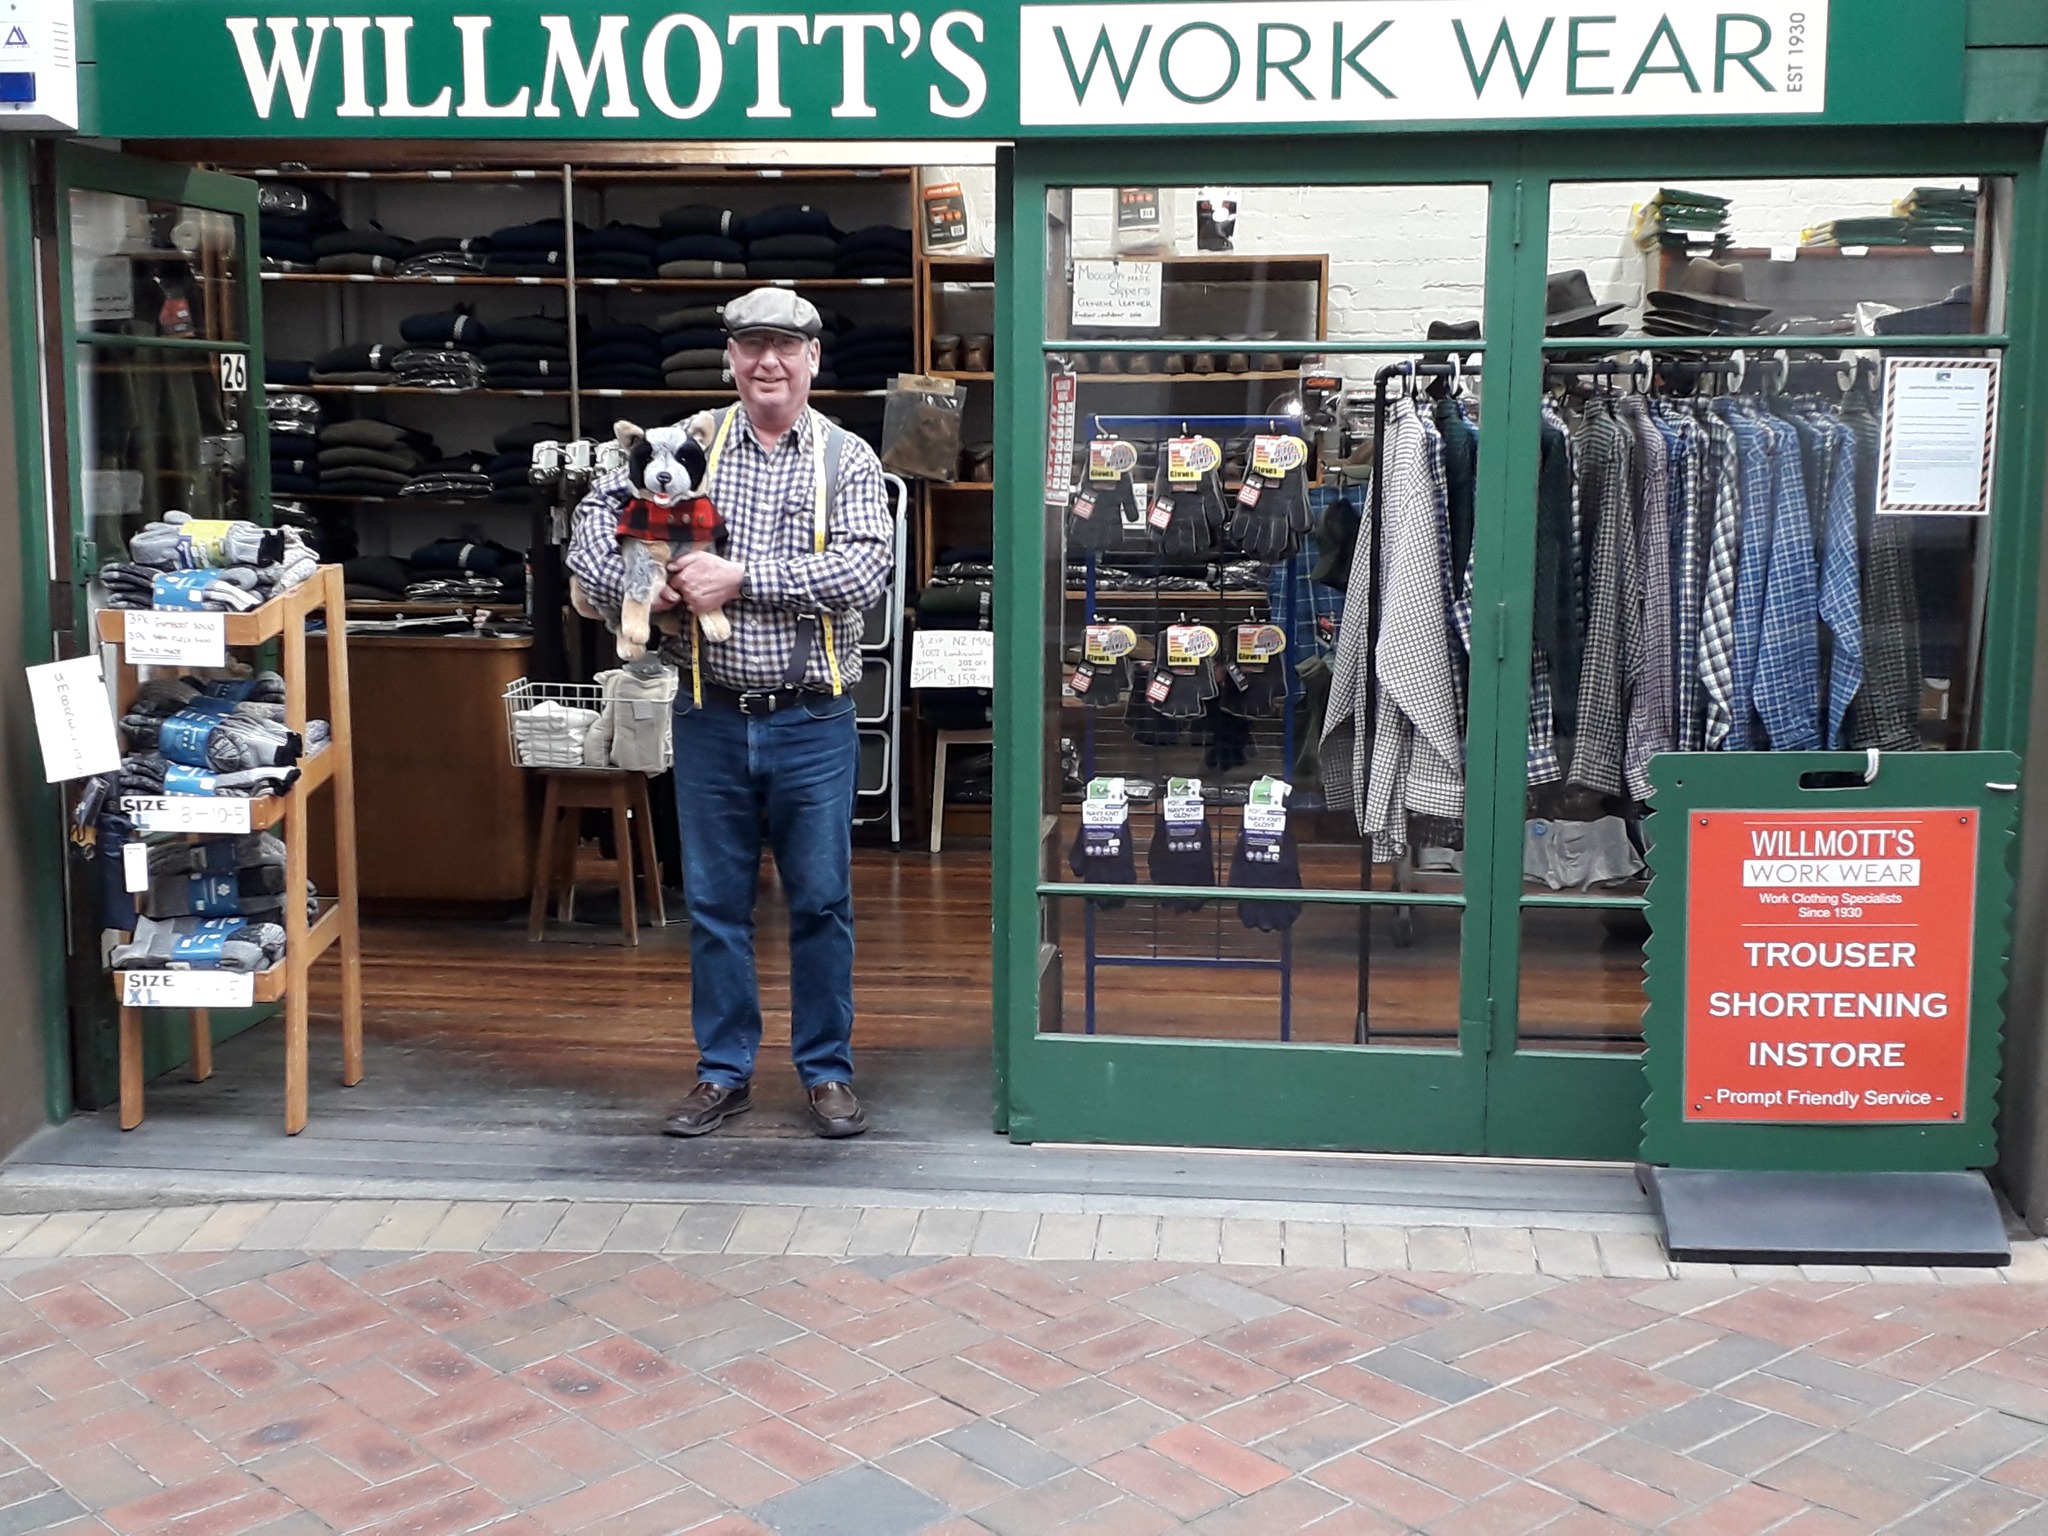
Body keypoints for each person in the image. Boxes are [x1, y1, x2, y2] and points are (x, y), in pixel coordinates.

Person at [567, 288, 893, 1138]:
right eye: (751, 347)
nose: (768, 363)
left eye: (785, 347)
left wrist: (740, 576)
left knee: (820, 903)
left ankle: (825, 1072)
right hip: (708, 715)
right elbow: (588, 538)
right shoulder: (683, 442)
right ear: (732, 359)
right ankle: (724, 1073)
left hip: (814, 720)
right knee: (713, 906)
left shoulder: (847, 458)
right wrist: (656, 588)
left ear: (814, 359)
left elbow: (865, 573)